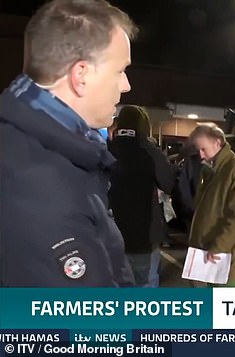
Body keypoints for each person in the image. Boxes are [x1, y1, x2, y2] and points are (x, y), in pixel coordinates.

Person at [0, 0, 137, 286]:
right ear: (81, 75)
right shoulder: (38, 185)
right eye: (120, 70)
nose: (126, 85)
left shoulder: (54, 148)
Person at [108, 105, 176, 287]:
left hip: (108, 233)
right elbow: (168, 182)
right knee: (144, 286)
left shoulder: (105, 149)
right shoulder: (149, 152)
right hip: (143, 234)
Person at [188, 125, 235, 287]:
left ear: (218, 143)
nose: (200, 154)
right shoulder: (211, 170)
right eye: (198, 150)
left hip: (224, 257)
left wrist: (219, 245)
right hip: (206, 253)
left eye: (203, 149)